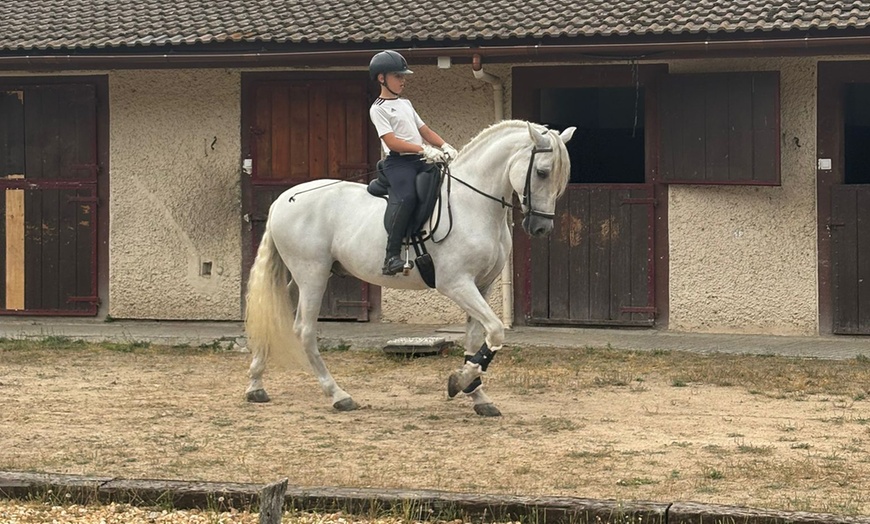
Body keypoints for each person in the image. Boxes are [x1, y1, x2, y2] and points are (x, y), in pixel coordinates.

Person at [368, 50, 459, 276]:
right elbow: (392, 142)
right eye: (398, 76)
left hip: (420, 159)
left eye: (403, 76)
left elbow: (424, 130)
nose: (403, 80)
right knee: (407, 197)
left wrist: (444, 145)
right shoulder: (378, 109)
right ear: (382, 78)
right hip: (399, 164)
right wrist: (423, 149)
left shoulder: (406, 104)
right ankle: (391, 256)